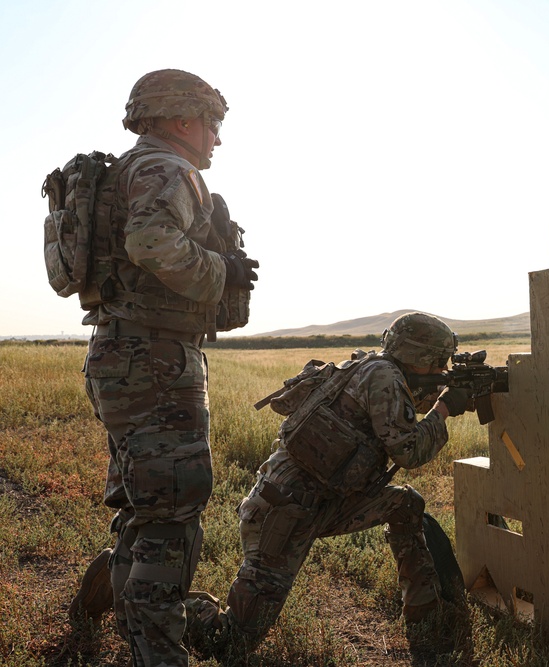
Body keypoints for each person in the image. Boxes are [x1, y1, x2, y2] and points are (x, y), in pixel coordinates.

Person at [67, 69, 259, 667]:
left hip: (125, 354)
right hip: (154, 360)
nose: (216, 140)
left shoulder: (132, 169)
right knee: (172, 514)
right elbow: (151, 243)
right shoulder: (168, 169)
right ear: (182, 120)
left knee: (144, 507)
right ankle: (158, 651)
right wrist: (220, 270)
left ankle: (130, 626)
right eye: (212, 124)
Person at [179, 312, 471, 658]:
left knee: (404, 504)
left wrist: (445, 391)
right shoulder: (383, 377)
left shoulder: (374, 368)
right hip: (284, 513)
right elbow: (408, 450)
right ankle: (151, 597)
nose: (441, 368)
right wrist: (444, 409)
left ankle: (427, 615)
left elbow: (399, 410)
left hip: (325, 503)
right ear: (420, 357)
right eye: (438, 361)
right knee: (230, 644)